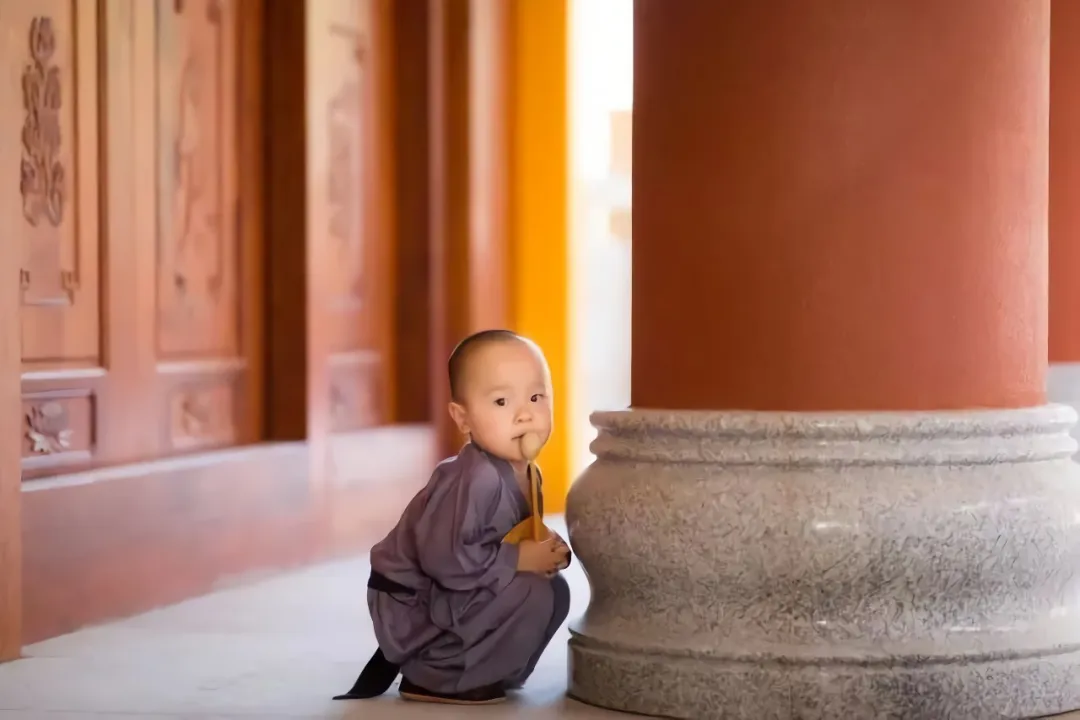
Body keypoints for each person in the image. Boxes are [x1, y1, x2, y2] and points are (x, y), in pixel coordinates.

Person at [333, 329, 572, 705]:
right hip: (415, 603)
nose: (525, 412)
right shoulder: (473, 478)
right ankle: (437, 675)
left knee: (555, 590)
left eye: (536, 396)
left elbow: (513, 533)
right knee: (530, 589)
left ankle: (494, 671)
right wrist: (521, 559)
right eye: (501, 401)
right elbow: (445, 560)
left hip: (460, 589)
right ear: (463, 418)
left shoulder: (527, 472)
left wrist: (546, 547)